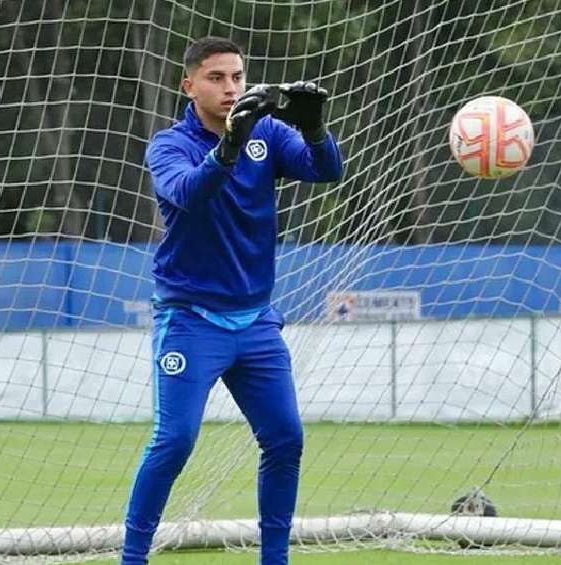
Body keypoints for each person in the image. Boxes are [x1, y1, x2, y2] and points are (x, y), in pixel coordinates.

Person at [120, 36, 344, 565]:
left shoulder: (265, 130)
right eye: (216, 78)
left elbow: (327, 170)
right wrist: (228, 148)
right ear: (189, 84)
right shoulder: (168, 146)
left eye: (238, 77)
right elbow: (192, 194)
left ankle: (275, 560)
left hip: (256, 322)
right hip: (191, 321)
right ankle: (132, 559)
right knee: (174, 442)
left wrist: (314, 128)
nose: (230, 88)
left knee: (286, 439)